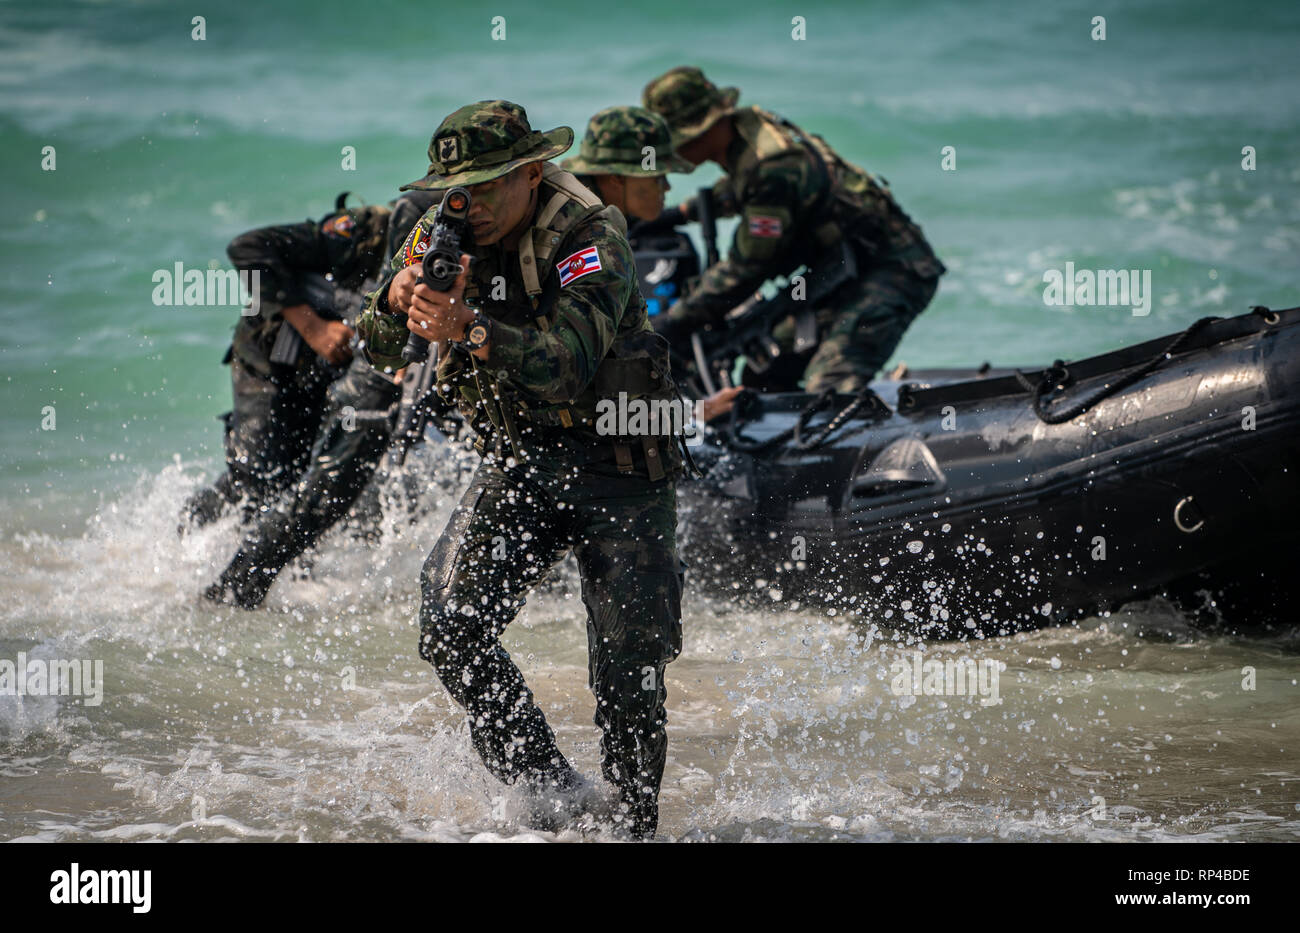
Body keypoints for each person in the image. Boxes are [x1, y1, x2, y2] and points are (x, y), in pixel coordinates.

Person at [357, 100, 686, 839]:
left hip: (620, 465)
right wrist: (397, 297)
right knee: (449, 623)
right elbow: (377, 349)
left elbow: (567, 366)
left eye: (484, 185)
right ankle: (547, 787)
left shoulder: (590, 234)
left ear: (532, 172)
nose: (466, 205)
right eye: (455, 188)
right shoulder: (441, 228)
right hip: (523, 462)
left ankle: (635, 826)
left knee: (629, 674)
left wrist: (469, 327)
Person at [193, 189, 437, 609]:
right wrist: (314, 328)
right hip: (272, 359)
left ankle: (296, 577)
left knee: (303, 473)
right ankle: (189, 535)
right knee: (259, 475)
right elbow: (247, 249)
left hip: (330, 373)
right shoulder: (362, 235)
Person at [643, 66, 946, 393]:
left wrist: (676, 321)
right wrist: (680, 213)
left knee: (830, 384)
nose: (674, 152)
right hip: (837, 270)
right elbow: (745, 188)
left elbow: (746, 270)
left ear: (705, 129)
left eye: (678, 140)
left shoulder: (773, 164)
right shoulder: (751, 130)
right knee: (769, 366)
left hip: (892, 269)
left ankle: (854, 435)